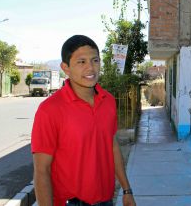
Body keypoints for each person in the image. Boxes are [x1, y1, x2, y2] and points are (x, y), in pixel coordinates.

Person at [31, 35, 136, 206]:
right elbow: (42, 170)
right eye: (81, 62)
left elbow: (112, 145)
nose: (91, 68)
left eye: (95, 60)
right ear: (66, 67)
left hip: (105, 200)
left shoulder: (108, 101)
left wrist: (126, 190)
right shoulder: (50, 110)